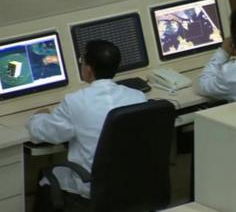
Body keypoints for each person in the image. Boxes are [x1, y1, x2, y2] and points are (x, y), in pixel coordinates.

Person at [26, 40, 147, 211]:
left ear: (88, 70)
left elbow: (44, 133)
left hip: (92, 185)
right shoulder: (138, 97)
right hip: (133, 182)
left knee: (47, 176)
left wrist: (37, 117)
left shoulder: (76, 102)